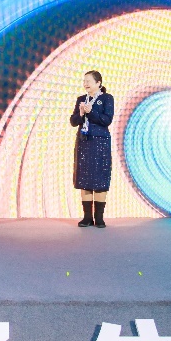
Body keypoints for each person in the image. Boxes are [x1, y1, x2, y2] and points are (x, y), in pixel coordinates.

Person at [69, 71, 114, 228]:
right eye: (84, 81)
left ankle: (99, 218)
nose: (85, 83)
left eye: (88, 81)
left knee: (100, 177)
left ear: (98, 83)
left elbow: (107, 120)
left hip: (100, 142)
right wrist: (81, 114)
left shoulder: (107, 98)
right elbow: (73, 121)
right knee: (85, 178)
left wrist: (91, 112)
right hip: (84, 142)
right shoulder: (81, 99)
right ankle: (87, 217)